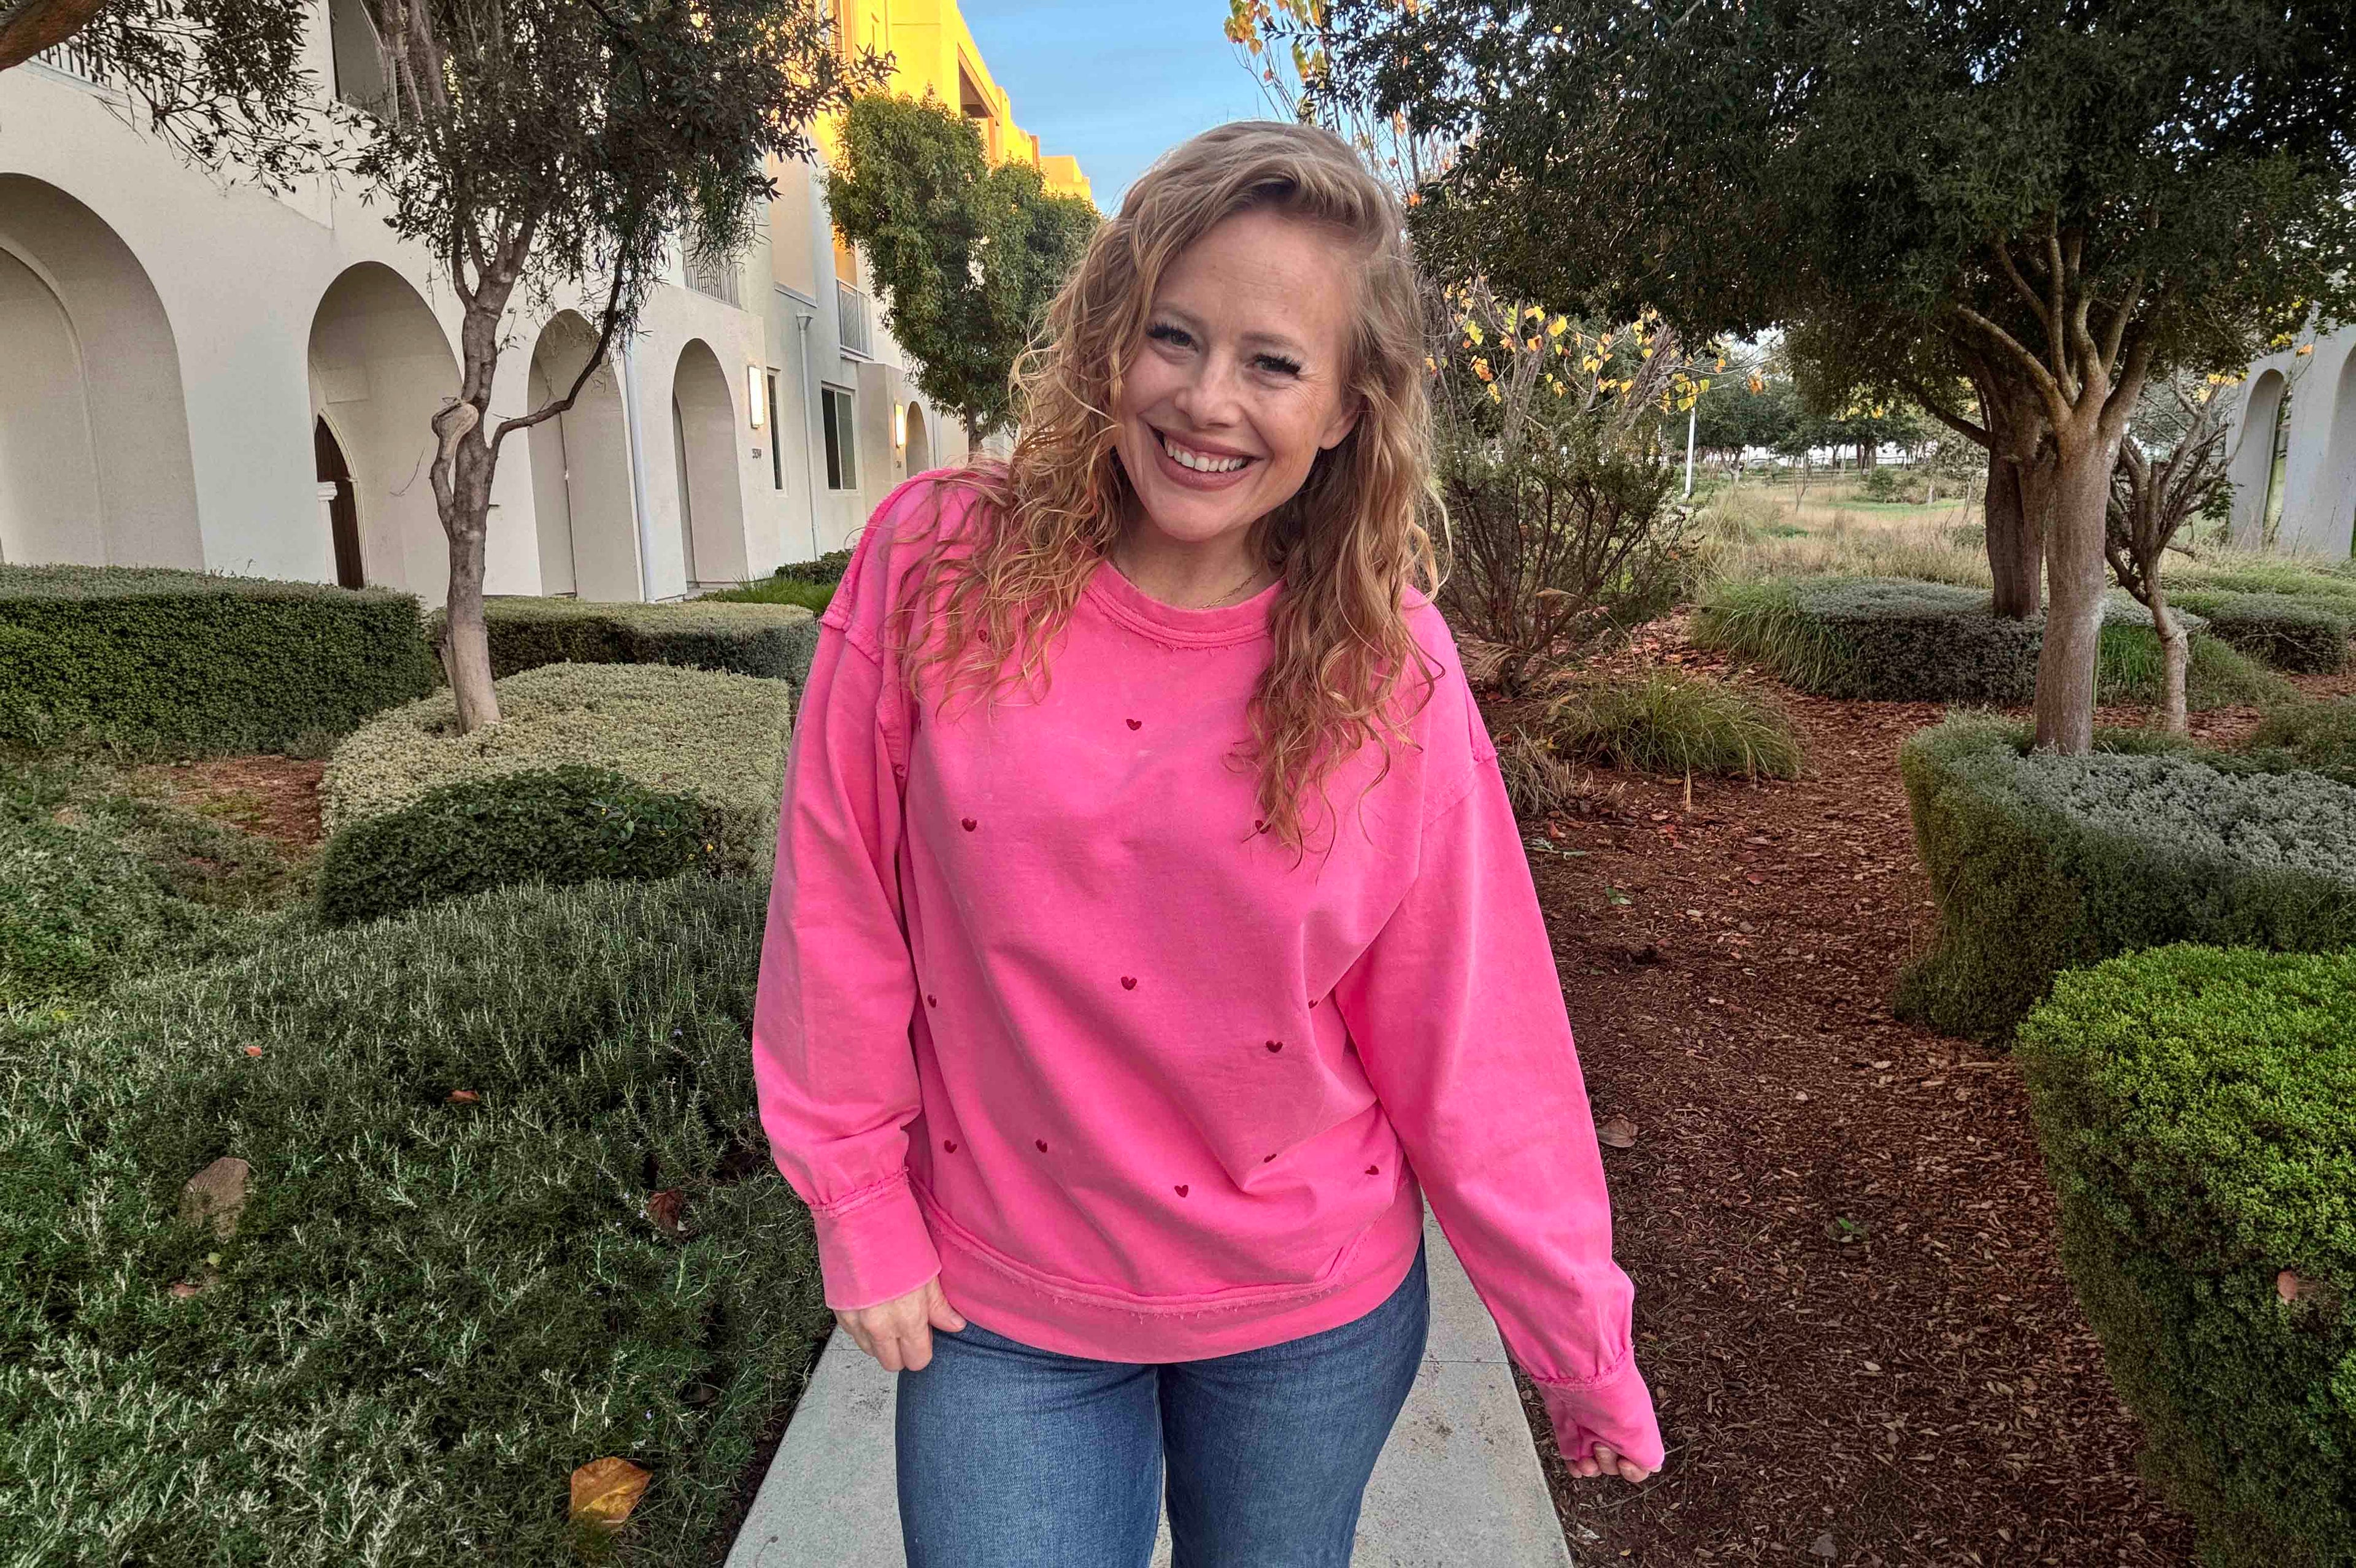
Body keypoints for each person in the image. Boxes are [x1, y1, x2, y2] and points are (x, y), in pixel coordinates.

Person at [752, 118, 1663, 1568]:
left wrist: (1575, 1341)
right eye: (1173, 337)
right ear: (1112, 337)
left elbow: (1473, 1029)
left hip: (1308, 1320)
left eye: (1274, 363)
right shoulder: (937, 563)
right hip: (1003, 1308)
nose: (1206, 400)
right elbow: (837, 900)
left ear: (1350, 408)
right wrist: (857, 1202)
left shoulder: (1388, 668)